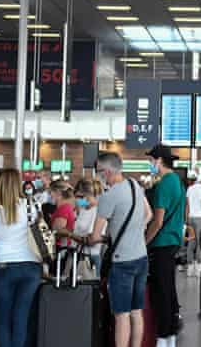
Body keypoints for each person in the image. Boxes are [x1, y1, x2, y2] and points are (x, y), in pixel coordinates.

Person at [90, 152, 152, 347]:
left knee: (121, 315)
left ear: (107, 172)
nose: (98, 176)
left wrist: (107, 238)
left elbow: (95, 236)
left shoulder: (108, 196)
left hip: (122, 262)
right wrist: (134, 231)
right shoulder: (135, 185)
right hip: (141, 257)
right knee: (136, 311)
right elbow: (148, 214)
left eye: (98, 172)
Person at [0, 169, 42, 347]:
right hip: (31, 266)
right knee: (21, 317)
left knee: (4, 319)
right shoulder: (30, 206)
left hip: (4, 267)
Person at [144, 145, 186, 347]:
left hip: (161, 243)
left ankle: (162, 337)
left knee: (160, 292)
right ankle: (170, 336)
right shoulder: (177, 181)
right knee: (168, 290)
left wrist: (144, 242)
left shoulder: (164, 185)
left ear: (159, 160)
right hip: (173, 241)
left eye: (151, 161)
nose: (150, 164)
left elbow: (157, 221)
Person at [73, 179, 103, 273]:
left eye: (79, 196)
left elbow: (92, 240)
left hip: (91, 257)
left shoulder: (98, 211)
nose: (77, 199)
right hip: (79, 254)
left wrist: (69, 234)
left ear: (88, 195)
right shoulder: (83, 209)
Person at [49, 181, 77, 252]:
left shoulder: (63, 209)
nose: (50, 195)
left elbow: (58, 232)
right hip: (62, 248)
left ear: (58, 193)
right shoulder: (65, 207)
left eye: (50, 192)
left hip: (61, 250)